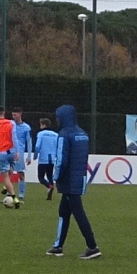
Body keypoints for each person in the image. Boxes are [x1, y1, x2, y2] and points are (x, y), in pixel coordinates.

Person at [46, 104, 100, 259]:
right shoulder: (82, 134)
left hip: (68, 180)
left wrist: (55, 177)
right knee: (64, 211)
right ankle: (58, 246)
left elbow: (61, 160)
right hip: (79, 177)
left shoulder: (64, 135)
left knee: (78, 212)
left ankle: (92, 246)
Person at [0, 107, 20, 207]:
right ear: (4, 113)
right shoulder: (11, 123)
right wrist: (17, 151)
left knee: (5, 177)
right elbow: (14, 138)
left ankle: (14, 198)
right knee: (10, 169)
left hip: (0, 152)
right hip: (11, 151)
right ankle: (6, 188)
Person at [33, 116, 60, 199]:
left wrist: (35, 155)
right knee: (49, 176)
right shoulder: (56, 135)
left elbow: (37, 146)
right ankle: (49, 194)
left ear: (44, 125)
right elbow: (58, 147)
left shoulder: (41, 134)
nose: (40, 126)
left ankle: (49, 186)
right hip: (52, 159)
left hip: (43, 159)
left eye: (41, 124)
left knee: (41, 177)